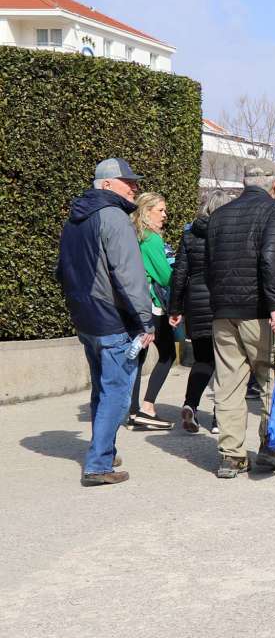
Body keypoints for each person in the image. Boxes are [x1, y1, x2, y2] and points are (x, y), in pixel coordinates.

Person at [56, 158, 155, 485]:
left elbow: (62, 271)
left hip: (86, 317)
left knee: (102, 388)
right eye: (127, 182)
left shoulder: (74, 219)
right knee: (116, 392)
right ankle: (99, 464)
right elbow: (130, 277)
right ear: (107, 185)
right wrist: (145, 322)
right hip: (113, 320)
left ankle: (106, 450)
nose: (134, 187)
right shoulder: (114, 217)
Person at [205, 166, 275, 479]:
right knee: (272, 377)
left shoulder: (218, 215)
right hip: (260, 311)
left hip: (224, 311)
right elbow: (271, 259)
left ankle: (231, 456)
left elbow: (209, 264)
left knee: (227, 384)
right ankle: (271, 448)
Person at [168, 190, 233, 434]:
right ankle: (219, 417)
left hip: (196, 303)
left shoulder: (190, 235)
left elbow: (179, 273)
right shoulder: (229, 235)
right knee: (227, 362)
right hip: (222, 301)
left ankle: (190, 404)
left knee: (202, 358)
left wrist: (175, 308)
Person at [127, 192, 176, 430]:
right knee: (167, 354)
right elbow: (166, 277)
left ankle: (133, 411)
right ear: (146, 212)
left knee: (139, 357)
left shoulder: (132, 235)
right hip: (153, 306)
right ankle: (147, 407)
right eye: (161, 210)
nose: (165, 216)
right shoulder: (152, 239)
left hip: (133, 304)